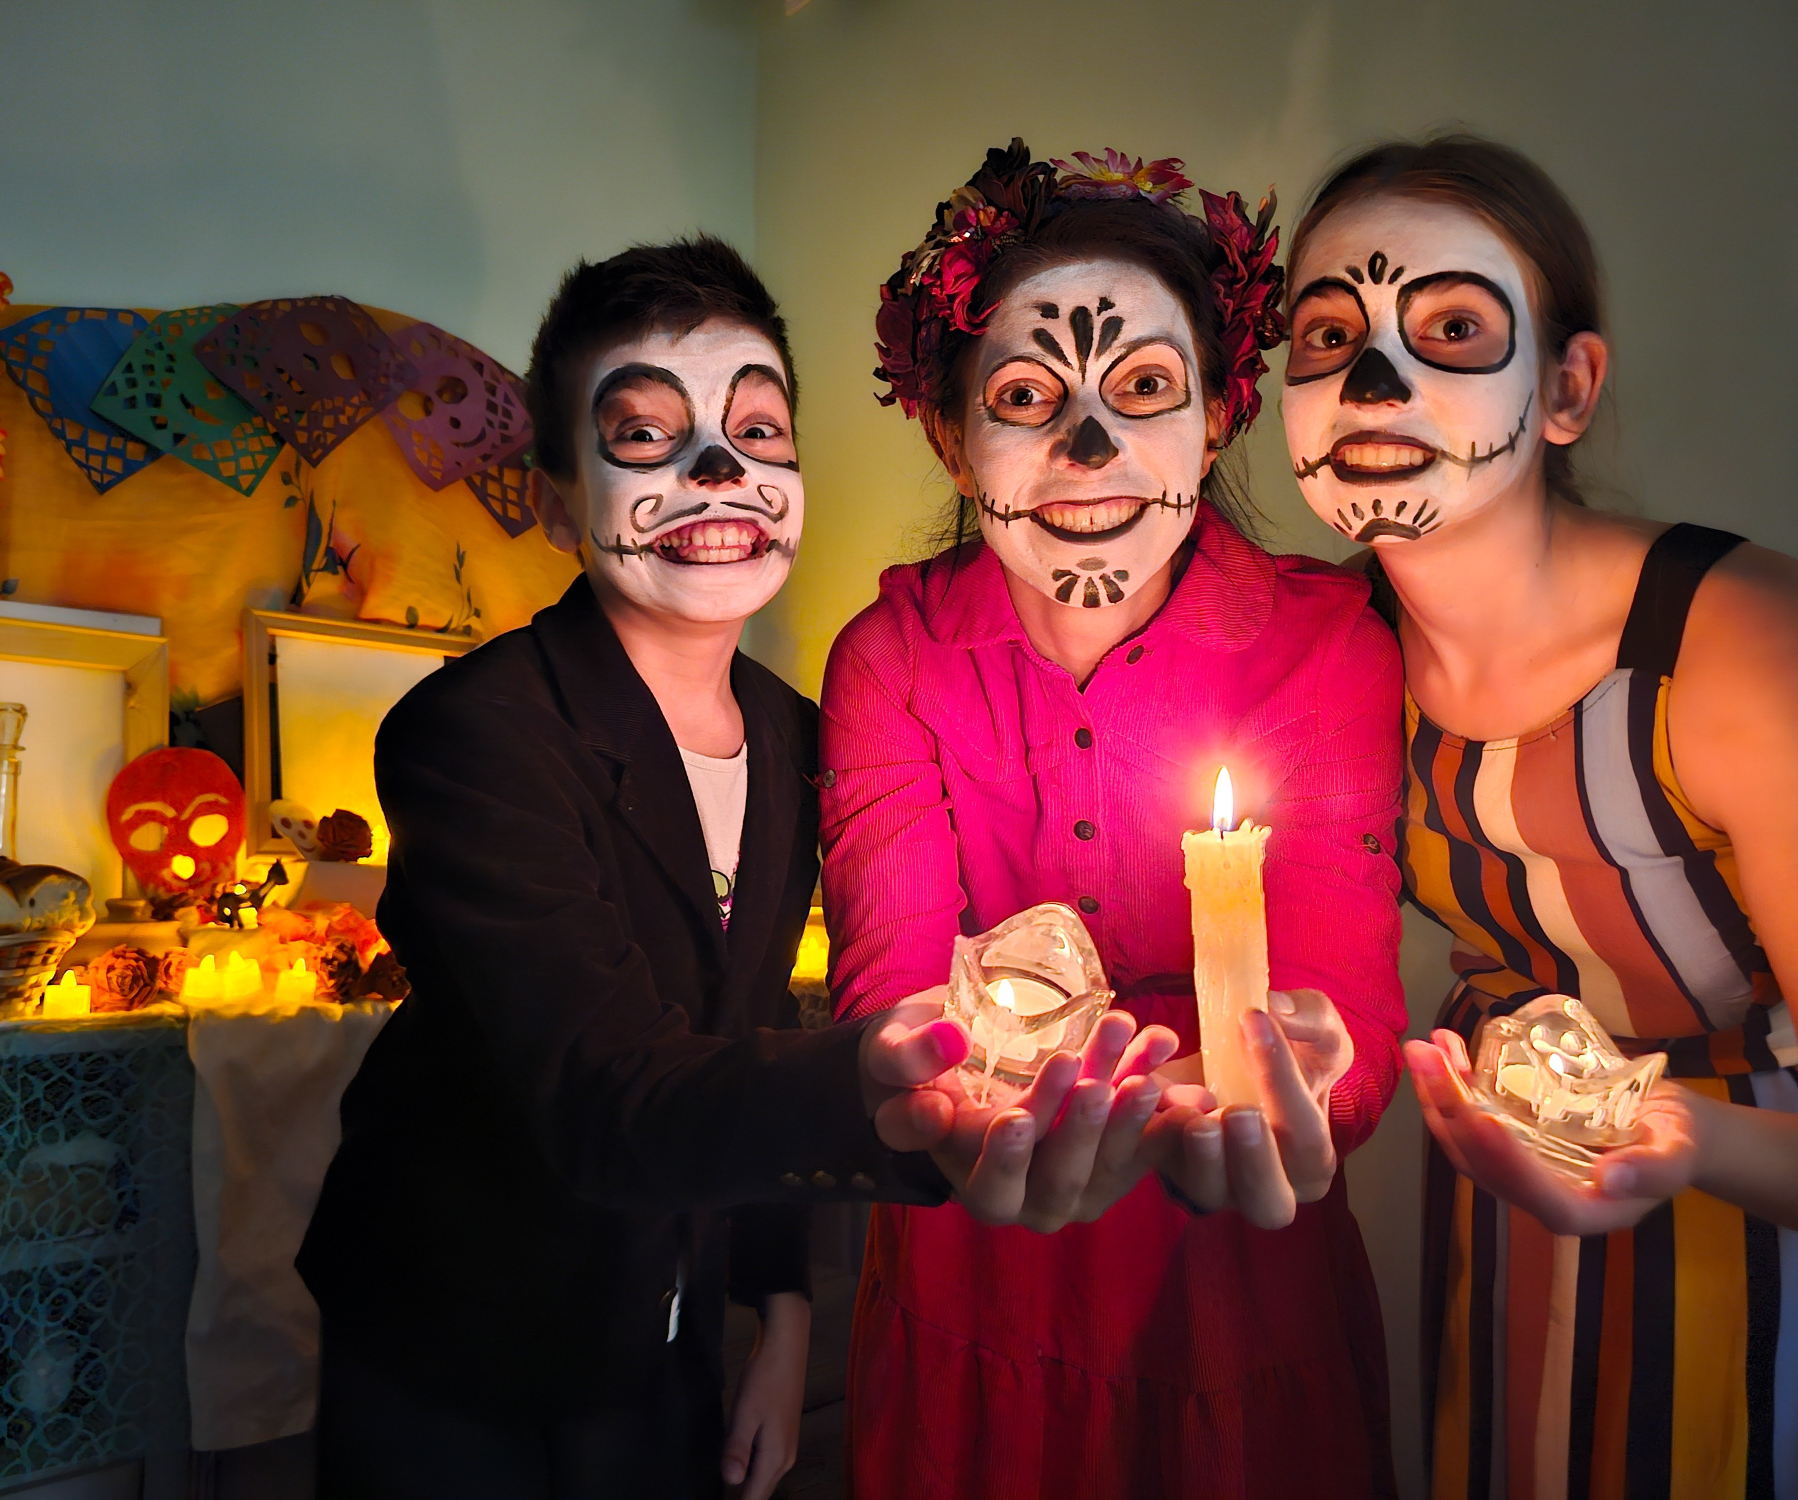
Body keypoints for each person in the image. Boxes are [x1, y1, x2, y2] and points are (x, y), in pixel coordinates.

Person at [298, 236, 1174, 1499]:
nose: (720, 472)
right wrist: (874, 1082)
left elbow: (747, 1029)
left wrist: (781, 1312)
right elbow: (605, 1094)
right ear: (557, 503)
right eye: (644, 435)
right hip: (457, 1335)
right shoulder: (471, 737)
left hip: (670, 1324)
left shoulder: (799, 734)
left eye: (757, 430)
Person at [822, 141, 1408, 1498]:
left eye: (1142, 388)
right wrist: (932, 1101)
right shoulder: (890, 660)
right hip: (973, 1279)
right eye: (1026, 396)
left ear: (1216, 416)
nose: (1088, 448)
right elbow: (889, 994)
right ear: (950, 440)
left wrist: (1315, 1087)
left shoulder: (1324, 647)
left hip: (1231, 1295)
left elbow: (1342, 1006)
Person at [1278, 134, 1798, 1497]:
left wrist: (1675, 1137)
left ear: (1563, 389)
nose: (1371, 381)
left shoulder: (1738, 647)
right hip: (1504, 1226)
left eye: (1452, 327)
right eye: (1325, 335)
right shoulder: (1336, 647)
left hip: (1751, 1242)